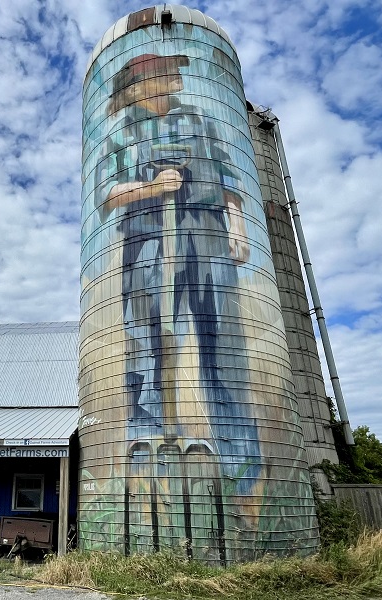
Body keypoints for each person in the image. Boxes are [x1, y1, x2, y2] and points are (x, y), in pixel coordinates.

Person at [94, 52, 261, 555]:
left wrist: (237, 225)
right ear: (138, 84)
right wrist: (150, 186)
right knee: (148, 345)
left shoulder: (200, 120)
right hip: (148, 239)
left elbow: (228, 179)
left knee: (223, 350)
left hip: (206, 235)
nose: (175, 76)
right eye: (164, 71)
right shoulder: (122, 131)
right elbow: (106, 195)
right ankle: (149, 455)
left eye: (175, 70)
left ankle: (241, 472)